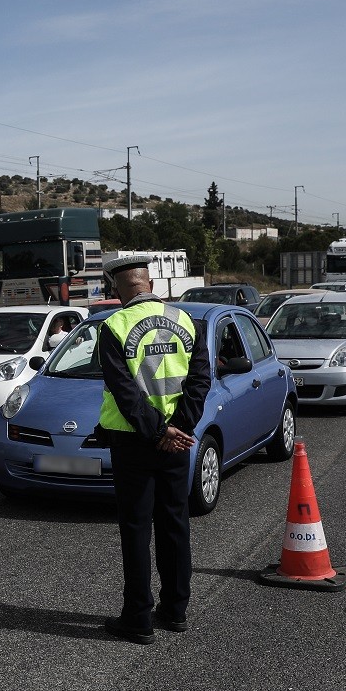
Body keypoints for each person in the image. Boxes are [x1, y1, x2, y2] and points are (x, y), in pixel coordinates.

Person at [93, 253, 211, 645]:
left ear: (117, 289)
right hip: (177, 442)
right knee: (175, 525)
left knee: (136, 529)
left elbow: (125, 393)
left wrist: (157, 431)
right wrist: (178, 429)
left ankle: (138, 618)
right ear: (151, 285)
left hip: (133, 443)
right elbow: (200, 381)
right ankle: (176, 609)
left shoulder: (113, 326)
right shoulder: (187, 322)